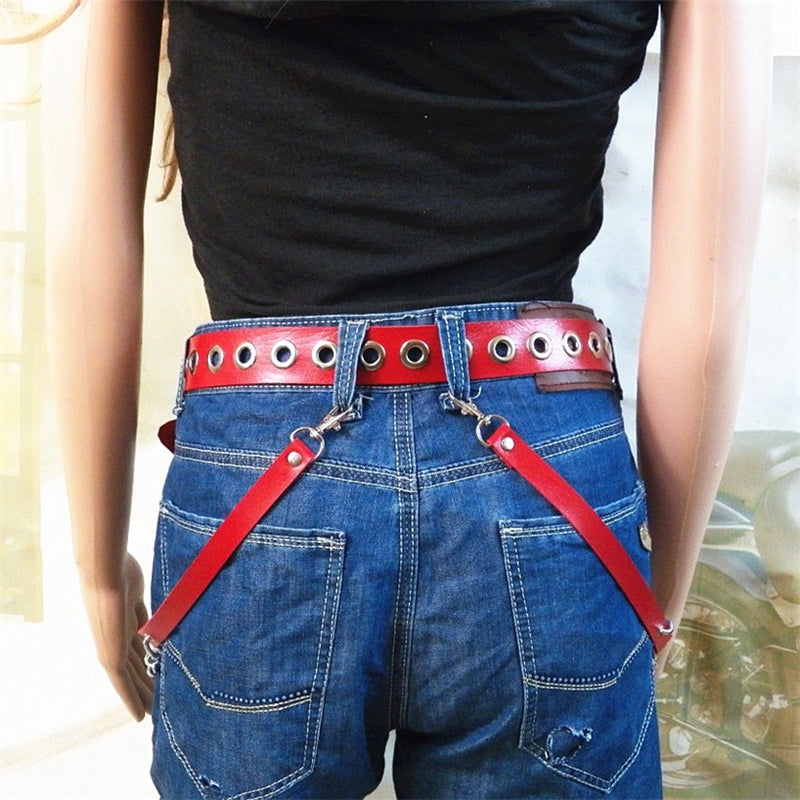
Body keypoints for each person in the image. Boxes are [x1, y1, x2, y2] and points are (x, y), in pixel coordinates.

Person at [44, 1, 771, 797]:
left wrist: (99, 569)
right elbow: (707, 313)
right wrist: (660, 588)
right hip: (545, 484)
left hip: (264, 481)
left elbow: (85, 241)